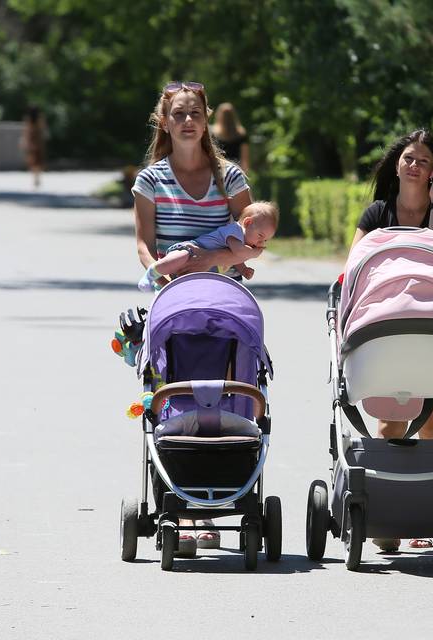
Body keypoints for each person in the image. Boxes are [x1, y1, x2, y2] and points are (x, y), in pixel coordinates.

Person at [132, 80, 253, 556]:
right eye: (178, 114)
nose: (186, 121)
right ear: (165, 122)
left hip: (224, 302)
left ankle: (214, 496)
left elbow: (250, 237)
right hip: (172, 300)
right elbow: (143, 244)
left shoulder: (230, 178)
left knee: (225, 394)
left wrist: (206, 261)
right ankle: (180, 506)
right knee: (174, 397)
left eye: (194, 114)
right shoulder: (150, 180)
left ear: (206, 121)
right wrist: (157, 272)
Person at [349, 128, 433, 552]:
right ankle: (387, 508)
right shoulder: (377, 213)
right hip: (385, 323)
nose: (414, 166)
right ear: (397, 163)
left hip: (431, 322)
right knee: (392, 421)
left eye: (423, 162)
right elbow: (355, 263)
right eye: (408, 159)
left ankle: (427, 512)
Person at [137, 200, 278, 291]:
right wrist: (255, 253)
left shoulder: (243, 242)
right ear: (247, 223)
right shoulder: (235, 231)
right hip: (190, 248)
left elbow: (237, 260)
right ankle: (152, 273)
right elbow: (238, 252)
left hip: (202, 264)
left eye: (265, 241)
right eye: (261, 236)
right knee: (180, 257)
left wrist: (243, 270)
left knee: (187, 279)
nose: (261, 243)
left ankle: (166, 277)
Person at [210, 102, 250, 172]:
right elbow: (244, 158)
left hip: (218, 171)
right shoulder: (241, 134)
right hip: (235, 171)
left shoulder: (213, 133)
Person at [21, 106, 47, 188]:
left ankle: (35, 178)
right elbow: (43, 129)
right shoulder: (40, 119)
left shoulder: (29, 119)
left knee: (33, 161)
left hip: (32, 141)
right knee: (38, 161)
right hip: (38, 141)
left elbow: (26, 131)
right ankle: (37, 178)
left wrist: (25, 142)